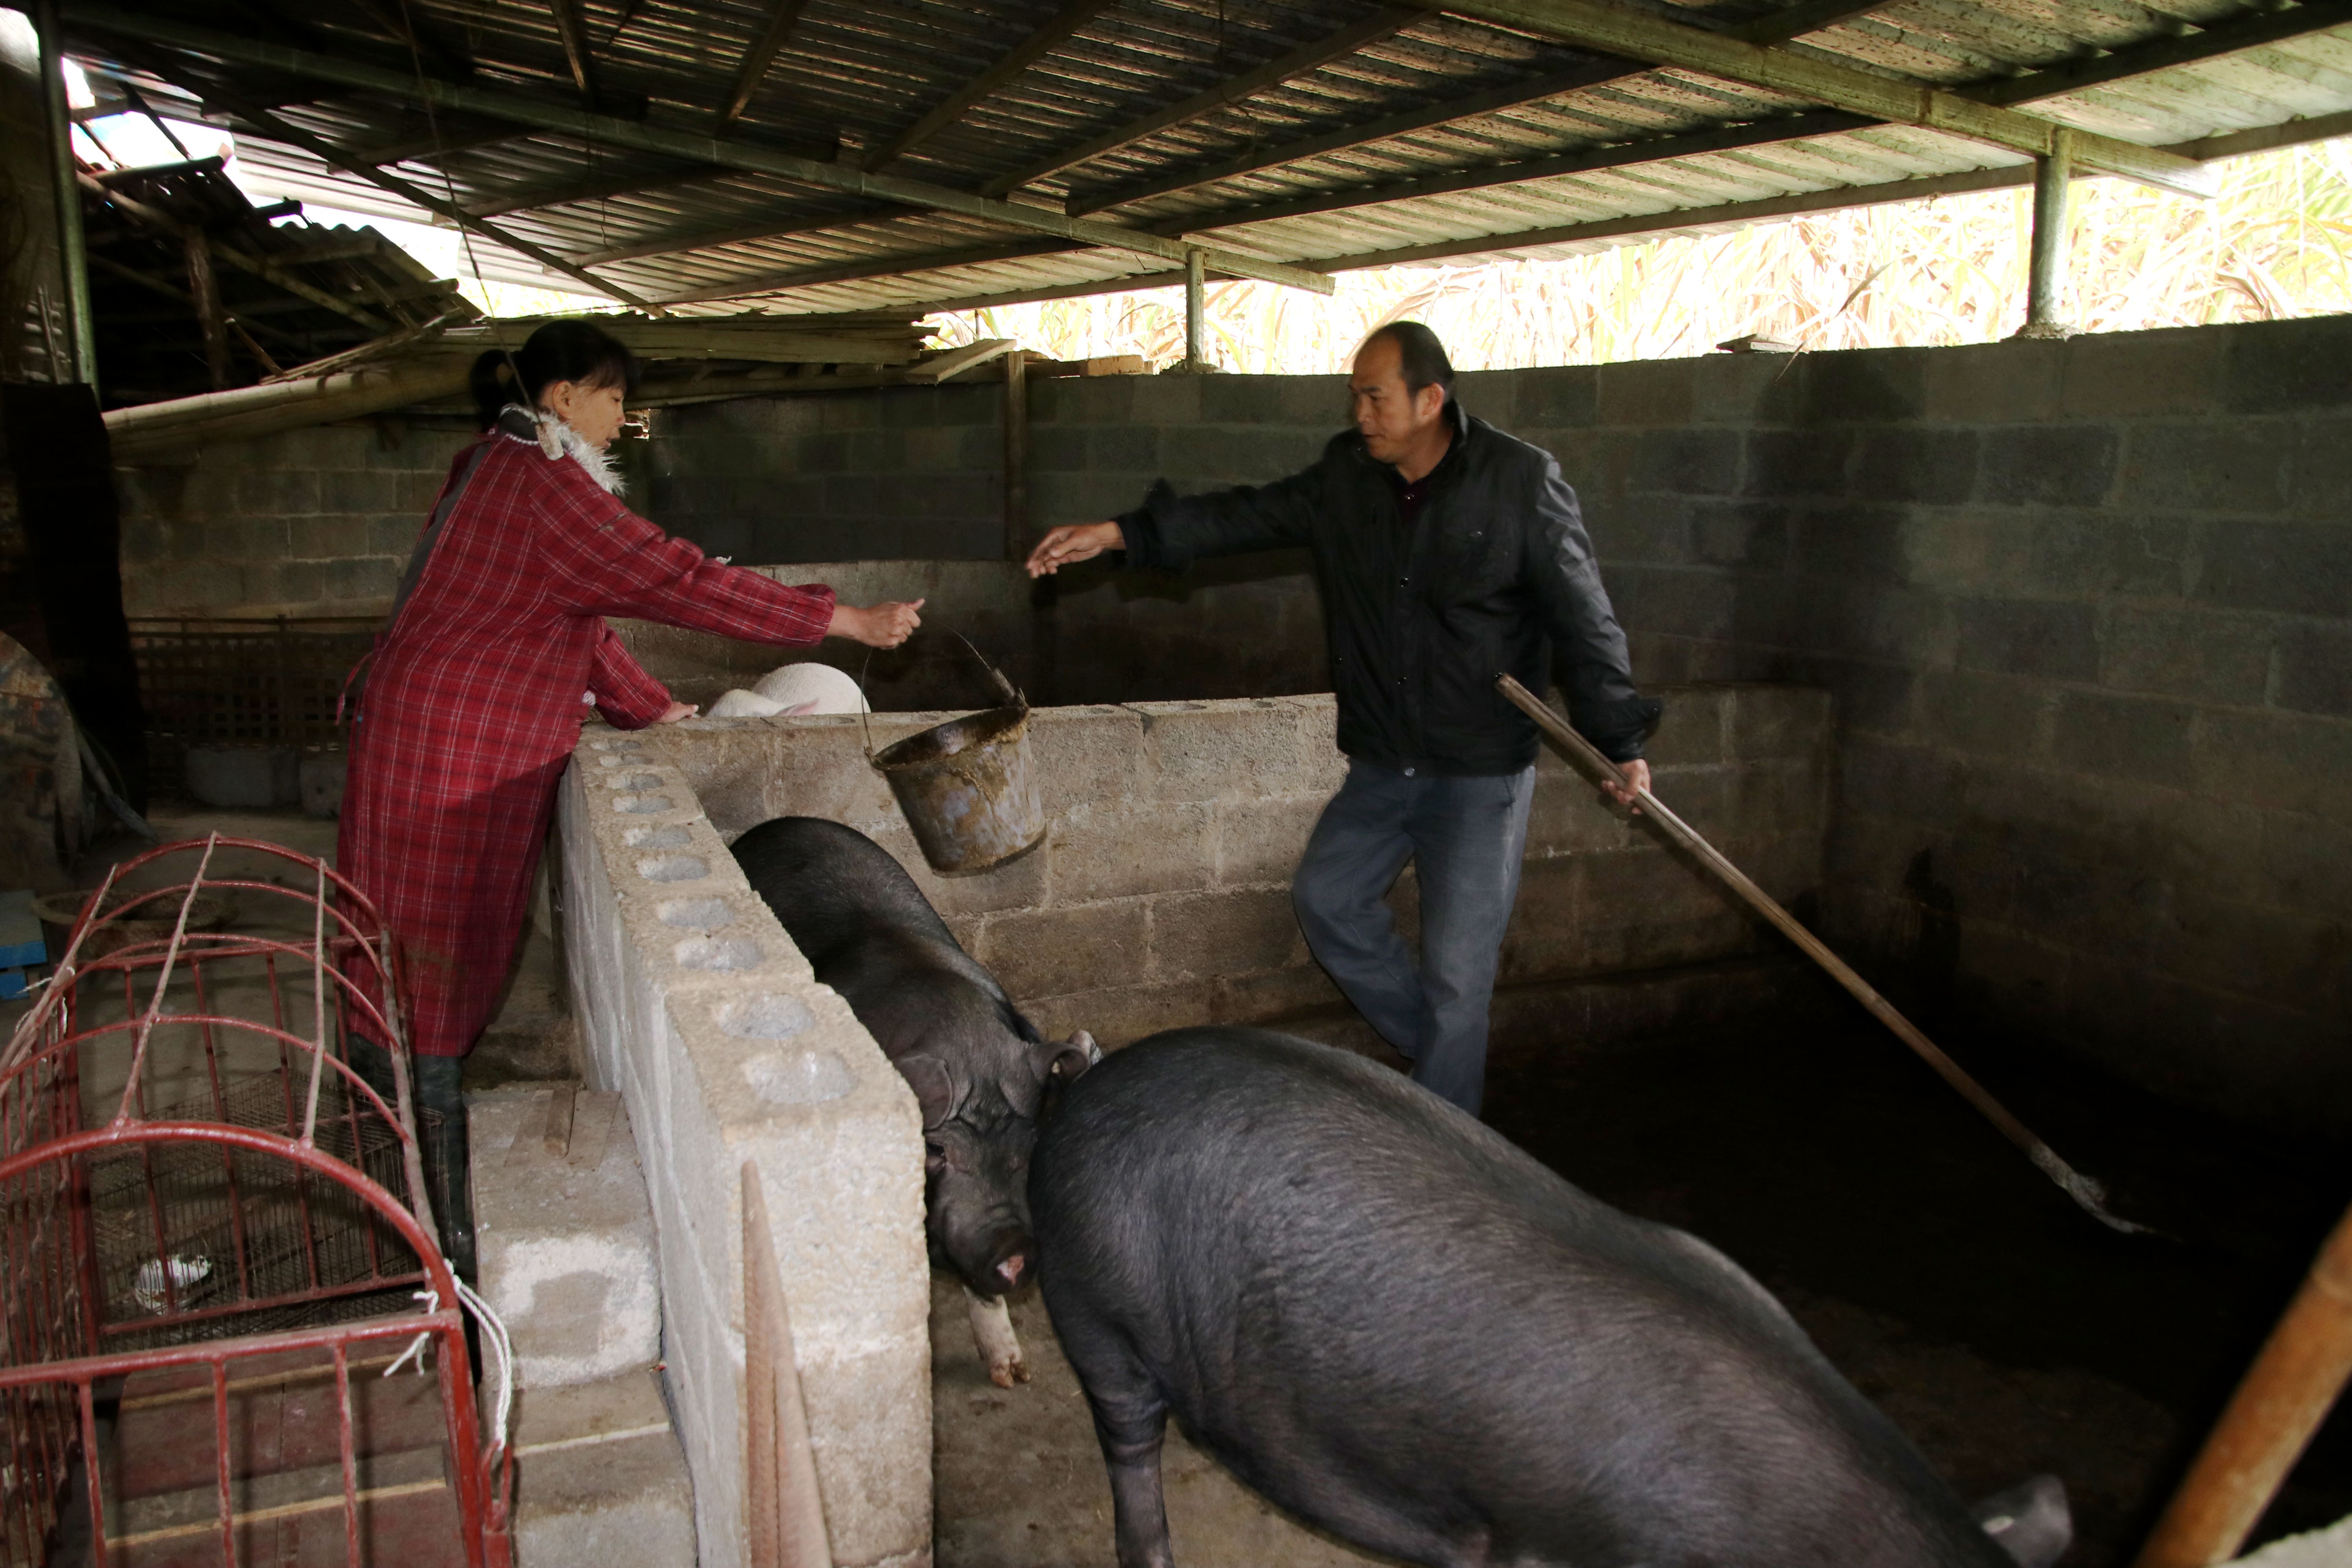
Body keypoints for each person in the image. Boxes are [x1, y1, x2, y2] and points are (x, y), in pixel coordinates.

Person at [339, 319, 924, 1278]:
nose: (623, 416)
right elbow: (672, 578)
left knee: (406, 956)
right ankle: (422, 1228)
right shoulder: (543, 486)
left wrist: (648, 707)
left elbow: (571, 615)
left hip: (434, 731)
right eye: (613, 396)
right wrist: (840, 617)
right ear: (563, 397)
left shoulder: (499, 464)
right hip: (449, 749)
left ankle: (399, 1173)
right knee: (419, 966)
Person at [1026, 322, 1657, 1117]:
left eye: (1374, 397)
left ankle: (1444, 1152)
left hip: (1479, 771)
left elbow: (1584, 615)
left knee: (1461, 973)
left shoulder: (1519, 480)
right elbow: (1245, 516)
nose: (1359, 413)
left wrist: (1619, 741)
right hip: (1384, 761)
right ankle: (1442, 1062)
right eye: (1355, 396)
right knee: (1327, 898)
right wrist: (1119, 534)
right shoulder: (1345, 479)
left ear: (1431, 399)